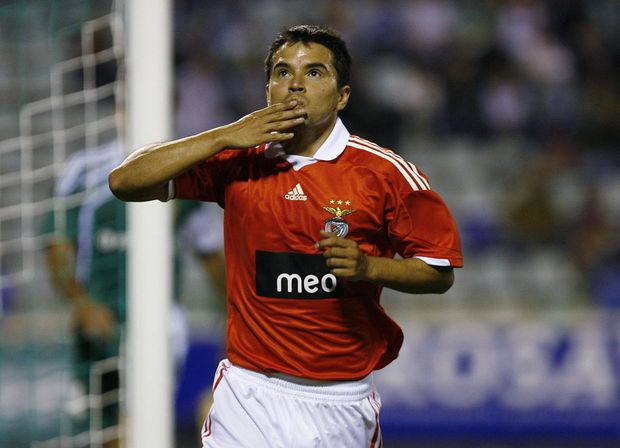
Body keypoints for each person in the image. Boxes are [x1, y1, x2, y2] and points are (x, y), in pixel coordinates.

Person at [109, 25, 463, 448]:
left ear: (342, 96)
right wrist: (223, 135)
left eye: (313, 72)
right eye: (282, 72)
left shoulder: (385, 174)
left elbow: (438, 272)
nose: (295, 83)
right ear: (267, 91)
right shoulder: (238, 160)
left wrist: (369, 267)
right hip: (248, 392)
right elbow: (125, 181)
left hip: (338, 401)